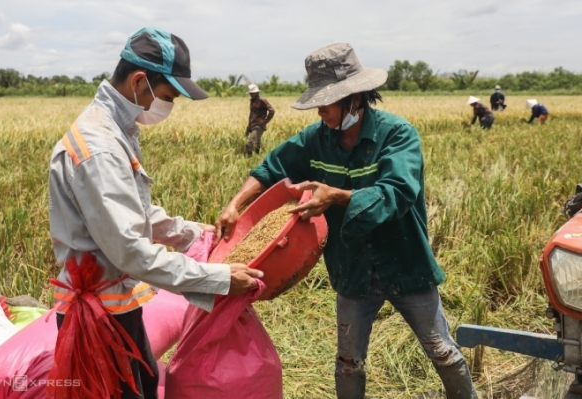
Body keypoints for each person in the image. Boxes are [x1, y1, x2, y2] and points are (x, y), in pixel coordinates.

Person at [215, 43, 477, 399]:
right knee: (348, 361)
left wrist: (336, 197)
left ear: (354, 98)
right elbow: (271, 167)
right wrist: (235, 205)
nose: (320, 110)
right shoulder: (316, 140)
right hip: (352, 268)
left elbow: (396, 193)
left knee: (442, 351)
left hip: (405, 263)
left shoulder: (397, 135)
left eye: (327, 102)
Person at [47, 27, 262, 399]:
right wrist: (218, 278)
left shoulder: (116, 130)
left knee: (145, 385)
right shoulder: (99, 148)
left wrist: (195, 234)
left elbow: (137, 212)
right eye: (166, 96)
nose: (168, 107)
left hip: (118, 307)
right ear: (139, 81)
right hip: (99, 320)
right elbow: (131, 250)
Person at [245, 83, 275, 157]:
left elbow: (272, 110)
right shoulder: (252, 101)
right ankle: (258, 157)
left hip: (259, 126)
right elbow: (251, 115)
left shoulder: (262, 101)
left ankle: (248, 160)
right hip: (253, 125)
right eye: (250, 93)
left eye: (253, 93)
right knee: (257, 144)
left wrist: (265, 121)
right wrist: (248, 127)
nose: (251, 95)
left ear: (257, 92)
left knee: (249, 143)